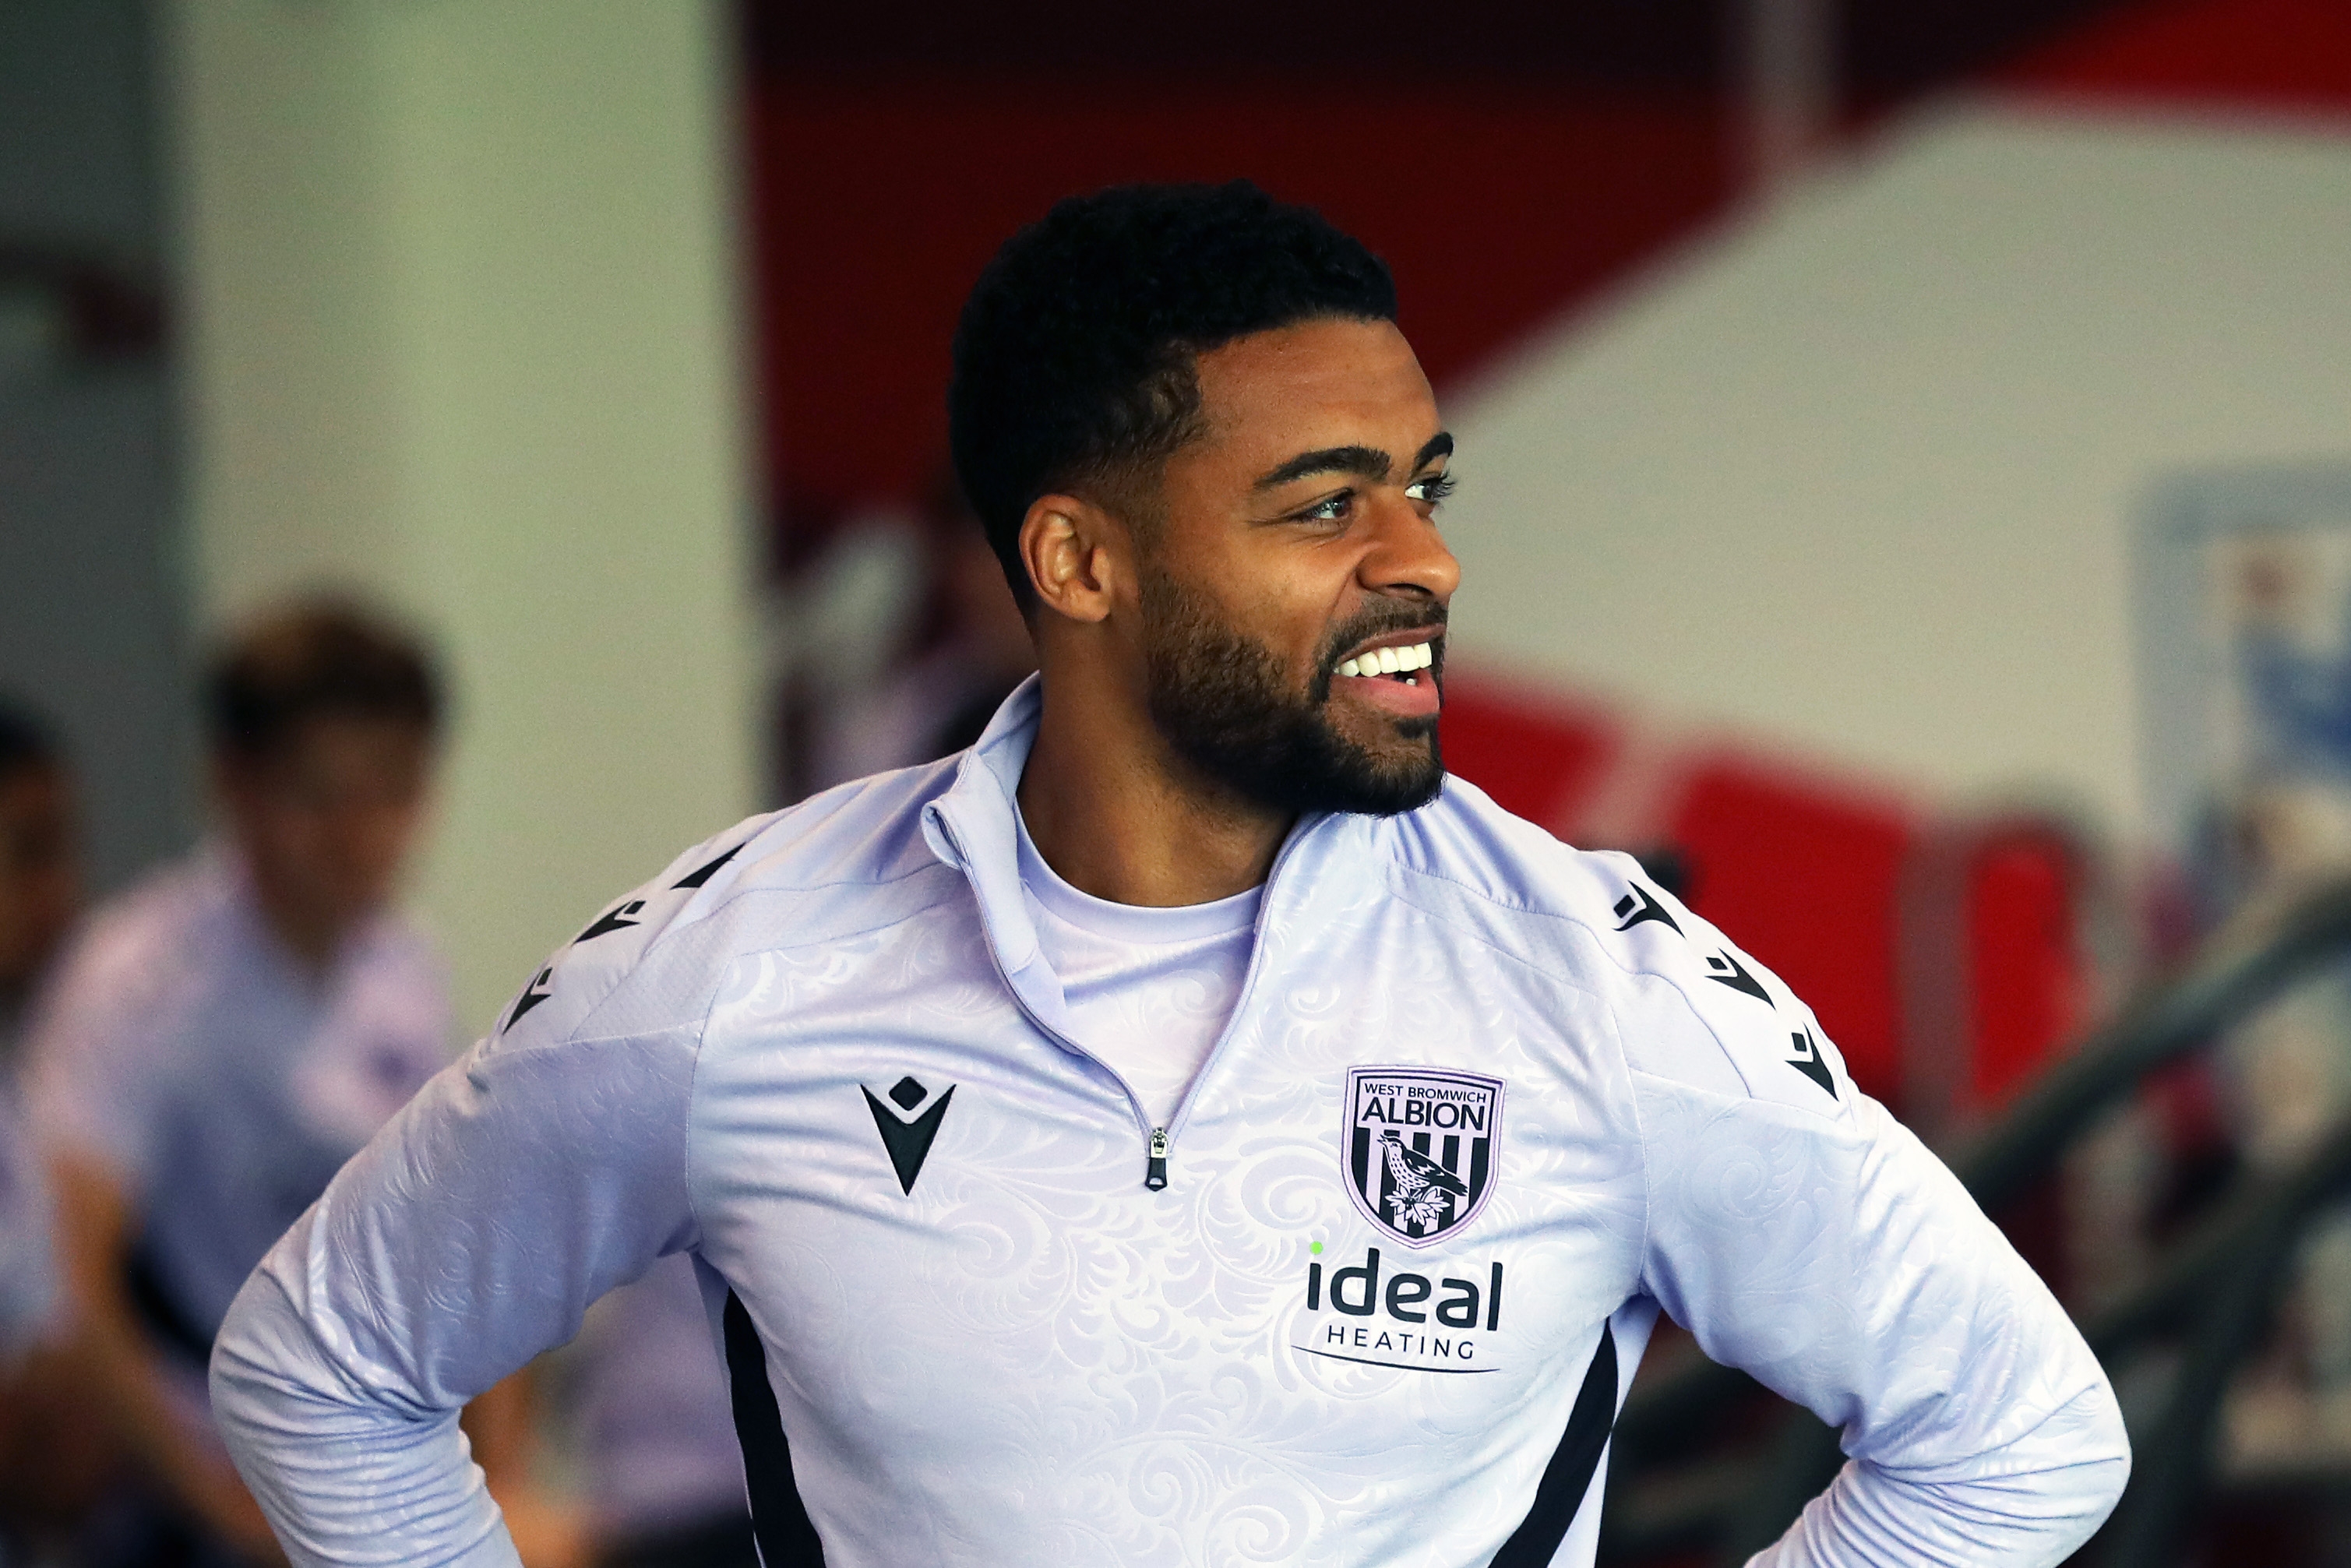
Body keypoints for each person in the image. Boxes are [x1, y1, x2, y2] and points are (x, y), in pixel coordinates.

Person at [210, 184, 2128, 1566]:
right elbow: (325, 1363)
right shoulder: (743, 966)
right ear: (1080, 561)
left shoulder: (1592, 984)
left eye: (1423, 483)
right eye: (1324, 503)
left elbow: (2017, 1435)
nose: (1424, 558)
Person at [25, 604, 556, 1566]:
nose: (358, 837)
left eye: (391, 793)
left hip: (359, 1443)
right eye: (318, 797)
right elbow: (77, 1283)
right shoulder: (137, 981)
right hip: (175, 1465)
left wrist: (501, 1485)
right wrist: (225, 1507)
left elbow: (473, 1236)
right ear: (230, 784)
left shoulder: (402, 966)